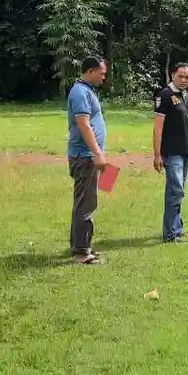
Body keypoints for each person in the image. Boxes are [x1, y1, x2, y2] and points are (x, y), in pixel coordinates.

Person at [67, 56, 108, 265]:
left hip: (88, 156)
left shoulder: (86, 91)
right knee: (86, 204)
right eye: (101, 73)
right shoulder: (80, 92)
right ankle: (82, 252)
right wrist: (97, 153)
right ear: (90, 71)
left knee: (84, 202)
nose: (104, 77)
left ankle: (81, 246)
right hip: (85, 157)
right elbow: (83, 124)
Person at [152, 62, 188, 243]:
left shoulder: (185, 95)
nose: (184, 80)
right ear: (172, 75)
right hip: (171, 152)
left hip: (184, 151)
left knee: (179, 191)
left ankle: (177, 229)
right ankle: (170, 234)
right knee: (175, 191)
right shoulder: (165, 95)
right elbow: (158, 127)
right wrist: (156, 154)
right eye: (181, 76)